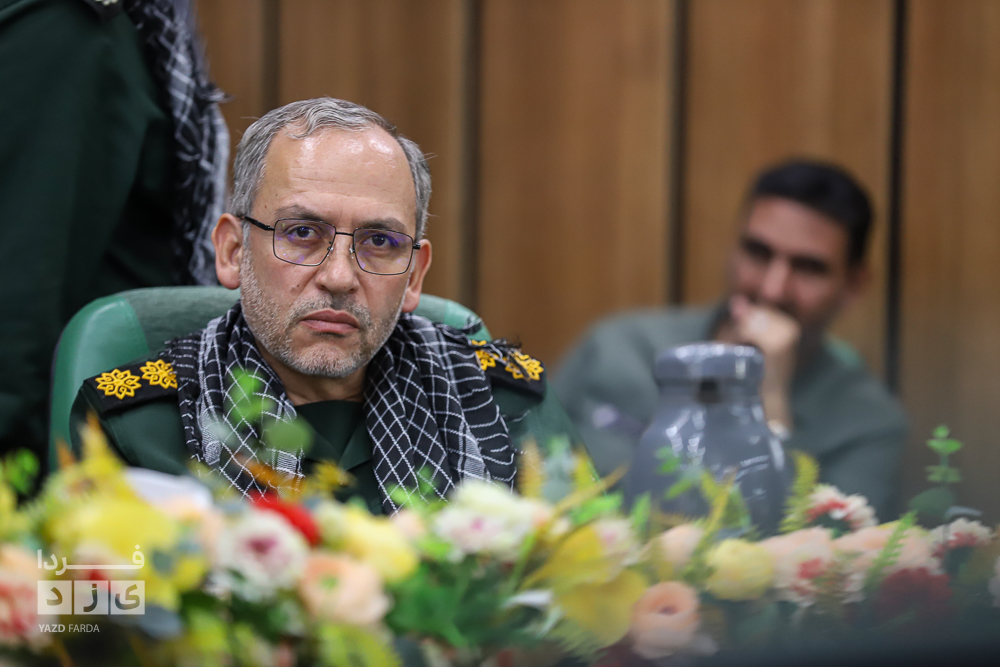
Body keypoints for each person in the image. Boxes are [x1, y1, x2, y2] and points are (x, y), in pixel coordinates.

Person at [69, 97, 577, 515]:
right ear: (232, 251)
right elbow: (95, 602)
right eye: (301, 233)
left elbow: (593, 585)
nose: (339, 278)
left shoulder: (502, 403)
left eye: (379, 241)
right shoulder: (137, 426)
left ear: (414, 275)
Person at [553, 160, 907, 519]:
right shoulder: (618, 346)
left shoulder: (868, 424)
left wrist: (771, 401)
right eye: (758, 252)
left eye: (808, 268)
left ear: (853, 286)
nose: (772, 290)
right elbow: (524, 465)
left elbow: (819, 548)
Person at [0, 0, 227, 460]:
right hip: (72, 440)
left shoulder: (137, 19)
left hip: (118, 413)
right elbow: (19, 294)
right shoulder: (69, 26)